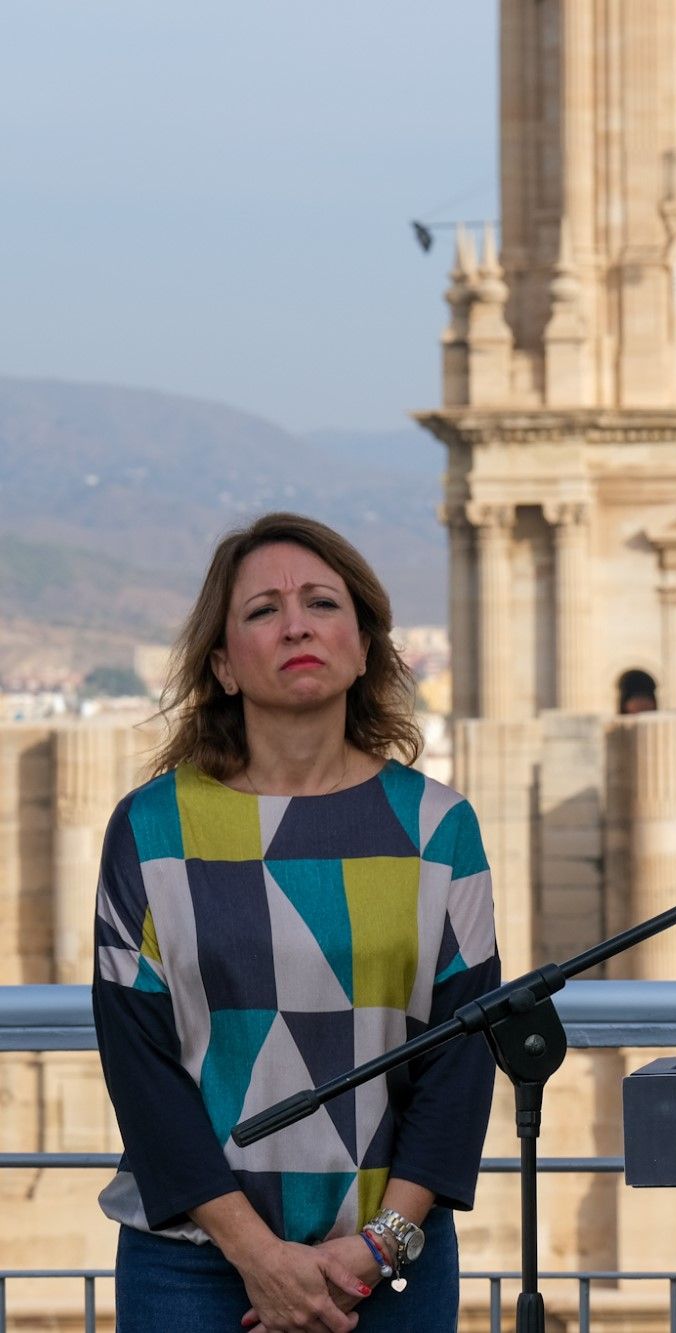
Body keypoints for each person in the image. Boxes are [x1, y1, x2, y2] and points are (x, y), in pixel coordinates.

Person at [93, 513, 500, 1333]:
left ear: (363, 646)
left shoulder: (439, 828)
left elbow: (462, 1058)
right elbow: (141, 1065)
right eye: (261, 611)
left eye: (321, 602)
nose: (296, 624)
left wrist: (381, 1244)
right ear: (223, 666)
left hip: (390, 1269)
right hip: (192, 1266)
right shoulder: (150, 827)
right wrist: (257, 1254)